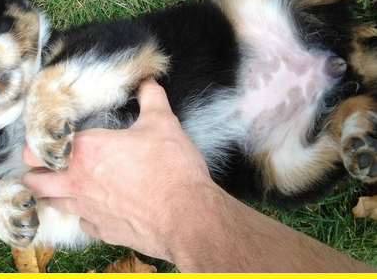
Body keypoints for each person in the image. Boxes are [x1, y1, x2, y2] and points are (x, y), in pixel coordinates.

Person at [22, 80, 377, 272]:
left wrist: (173, 210)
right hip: (263, 140)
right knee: (286, 174)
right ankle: (350, 117)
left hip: (249, 86)